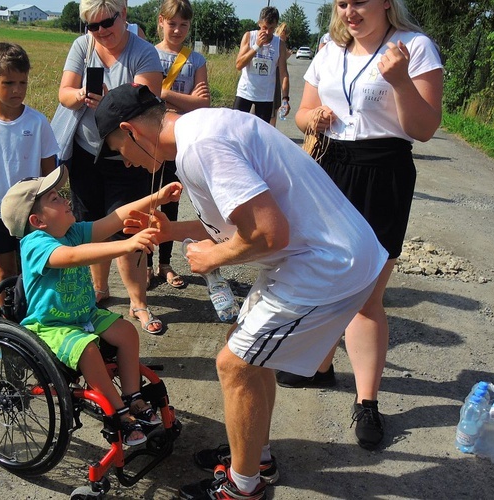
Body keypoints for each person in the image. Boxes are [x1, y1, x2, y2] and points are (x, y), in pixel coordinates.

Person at [95, 83, 387, 499]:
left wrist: (211, 259)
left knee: (235, 365)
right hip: (314, 253)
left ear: (131, 131)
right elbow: (243, 220)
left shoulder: (201, 147)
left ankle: (242, 487)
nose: (124, 164)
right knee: (247, 353)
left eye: (117, 149)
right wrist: (173, 231)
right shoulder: (201, 130)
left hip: (327, 264)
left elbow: (267, 233)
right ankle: (255, 457)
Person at [285, 0, 443, 450]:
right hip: (328, 166)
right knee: (320, 277)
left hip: (383, 171)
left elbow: (425, 127)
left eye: (360, 2)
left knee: (366, 295)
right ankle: (319, 366)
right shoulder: (329, 48)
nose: (350, 11)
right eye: (342, 2)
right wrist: (310, 119)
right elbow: (302, 113)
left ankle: (367, 402)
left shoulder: (414, 47)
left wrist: (399, 82)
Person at [0, 167, 182, 444]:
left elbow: (116, 218)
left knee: (127, 332)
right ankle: (118, 413)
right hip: (51, 325)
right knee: (87, 348)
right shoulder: (35, 243)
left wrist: (156, 197)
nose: (65, 200)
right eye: (55, 199)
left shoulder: (72, 231)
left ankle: (132, 397)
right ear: (37, 221)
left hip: (85, 313)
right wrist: (126, 245)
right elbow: (71, 257)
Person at [53, 0, 164, 334]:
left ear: (124, 15)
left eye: (107, 23)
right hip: (86, 151)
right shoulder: (81, 46)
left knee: (129, 226)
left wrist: (110, 99)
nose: (100, 31)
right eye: (92, 26)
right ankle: (99, 290)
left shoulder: (144, 53)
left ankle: (138, 302)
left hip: (127, 153)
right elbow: (63, 93)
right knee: (90, 223)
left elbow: (148, 102)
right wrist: (82, 95)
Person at [0, 42, 58, 294]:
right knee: (4, 274)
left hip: (31, 212)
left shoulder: (38, 123)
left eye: (22, 83)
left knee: (35, 269)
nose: (17, 90)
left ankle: (33, 323)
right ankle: (7, 325)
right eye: (8, 83)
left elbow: (51, 173)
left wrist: (50, 209)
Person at [146, 0, 209, 289]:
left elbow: (202, 104)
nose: (178, 29)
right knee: (147, 200)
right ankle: (144, 262)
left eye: (184, 24)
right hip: (148, 140)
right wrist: (183, 99)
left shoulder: (196, 61)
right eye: (172, 23)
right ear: (161, 21)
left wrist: (166, 93)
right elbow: (141, 95)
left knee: (172, 199)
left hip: (180, 142)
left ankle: (165, 263)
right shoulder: (147, 54)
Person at [233, 6, 290, 123]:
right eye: (264, 27)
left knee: (260, 133)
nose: (268, 32)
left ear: (276, 26)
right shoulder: (249, 36)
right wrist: (256, 46)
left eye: (271, 28)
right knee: (236, 127)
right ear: (259, 23)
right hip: (245, 92)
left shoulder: (279, 44)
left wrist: (285, 98)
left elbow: (283, 74)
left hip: (265, 97)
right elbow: (239, 65)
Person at [269, 21, 290, 128]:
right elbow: (278, 64)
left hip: (273, 74)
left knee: (273, 106)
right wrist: (286, 56)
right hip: (275, 75)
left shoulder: (274, 40)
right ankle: (272, 129)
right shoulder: (279, 42)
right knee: (273, 107)